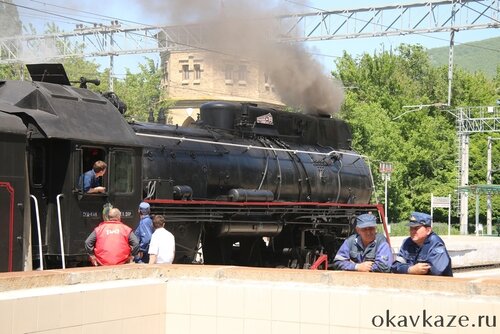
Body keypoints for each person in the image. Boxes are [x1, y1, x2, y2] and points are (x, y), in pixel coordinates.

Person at [391, 212, 453, 276]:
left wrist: (414, 270)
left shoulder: (435, 244)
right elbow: (395, 266)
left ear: (428, 230)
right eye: (411, 228)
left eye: (416, 228)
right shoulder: (407, 243)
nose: (412, 231)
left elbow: (437, 271)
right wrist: (411, 269)